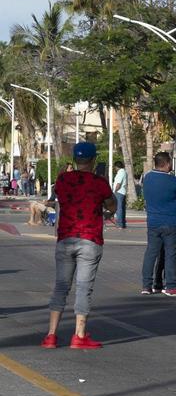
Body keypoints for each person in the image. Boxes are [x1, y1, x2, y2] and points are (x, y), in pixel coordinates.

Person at [42, 142, 116, 349]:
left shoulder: (63, 179)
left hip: (65, 238)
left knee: (61, 286)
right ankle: (79, 335)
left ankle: (51, 335)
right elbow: (111, 205)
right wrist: (106, 207)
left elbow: (58, 196)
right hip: (90, 239)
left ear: (75, 159)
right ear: (93, 160)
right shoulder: (99, 182)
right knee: (84, 287)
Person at [140, 151, 176, 296]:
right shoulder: (172, 180)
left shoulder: (148, 177)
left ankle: (146, 285)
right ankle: (170, 285)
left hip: (153, 221)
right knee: (171, 254)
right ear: (167, 163)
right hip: (171, 221)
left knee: (151, 253)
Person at [110, 162, 129, 229]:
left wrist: (114, 191)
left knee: (119, 209)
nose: (114, 169)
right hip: (122, 192)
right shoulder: (124, 172)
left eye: (114, 167)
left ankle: (119, 224)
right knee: (122, 208)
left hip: (118, 192)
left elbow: (118, 183)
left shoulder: (121, 172)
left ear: (116, 167)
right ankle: (123, 223)